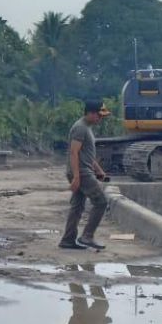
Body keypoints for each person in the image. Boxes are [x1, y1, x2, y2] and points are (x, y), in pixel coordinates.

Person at [60, 100, 112, 250]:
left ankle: (68, 239)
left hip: (83, 171)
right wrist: (77, 177)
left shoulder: (86, 127)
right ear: (89, 113)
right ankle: (87, 236)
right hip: (82, 173)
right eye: (98, 115)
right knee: (101, 202)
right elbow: (74, 152)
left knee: (77, 206)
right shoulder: (80, 128)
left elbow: (85, 153)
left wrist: (98, 169)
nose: (100, 119)